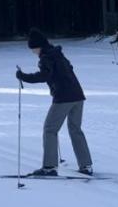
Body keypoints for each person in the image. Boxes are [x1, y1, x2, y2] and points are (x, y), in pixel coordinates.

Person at [16, 28, 93, 176]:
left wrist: (23, 76)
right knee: (75, 130)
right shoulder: (57, 54)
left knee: (50, 129)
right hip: (78, 96)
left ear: (39, 46)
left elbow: (44, 76)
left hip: (64, 98)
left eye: (33, 48)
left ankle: (49, 167)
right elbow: (67, 70)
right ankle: (86, 165)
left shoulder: (46, 57)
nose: (33, 52)